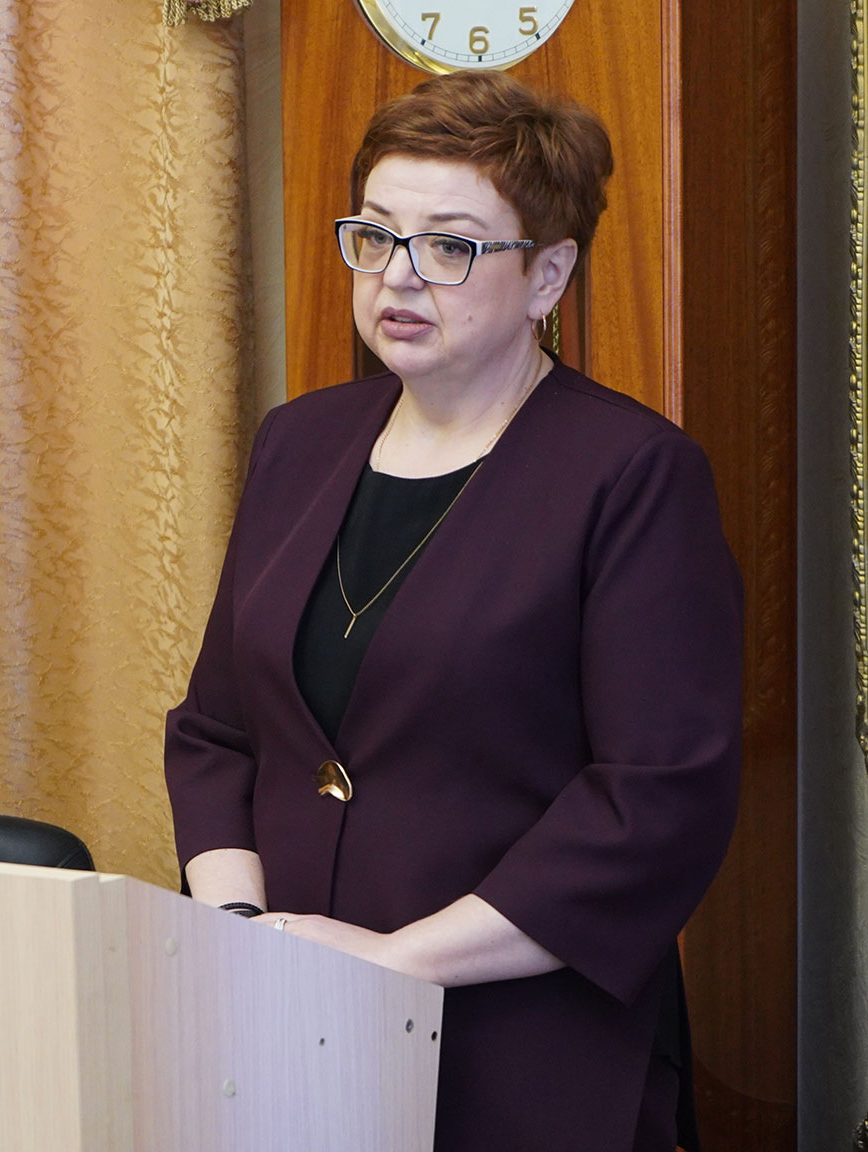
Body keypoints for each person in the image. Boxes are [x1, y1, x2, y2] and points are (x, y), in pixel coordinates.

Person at [163, 70, 742, 1151]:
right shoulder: (298, 441)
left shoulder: (633, 474)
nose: (398, 275)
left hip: (523, 1055)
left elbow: (656, 801)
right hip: (286, 1031)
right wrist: (238, 936)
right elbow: (217, 732)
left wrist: (395, 961)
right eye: (376, 235)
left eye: (450, 246)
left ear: (547, 275)